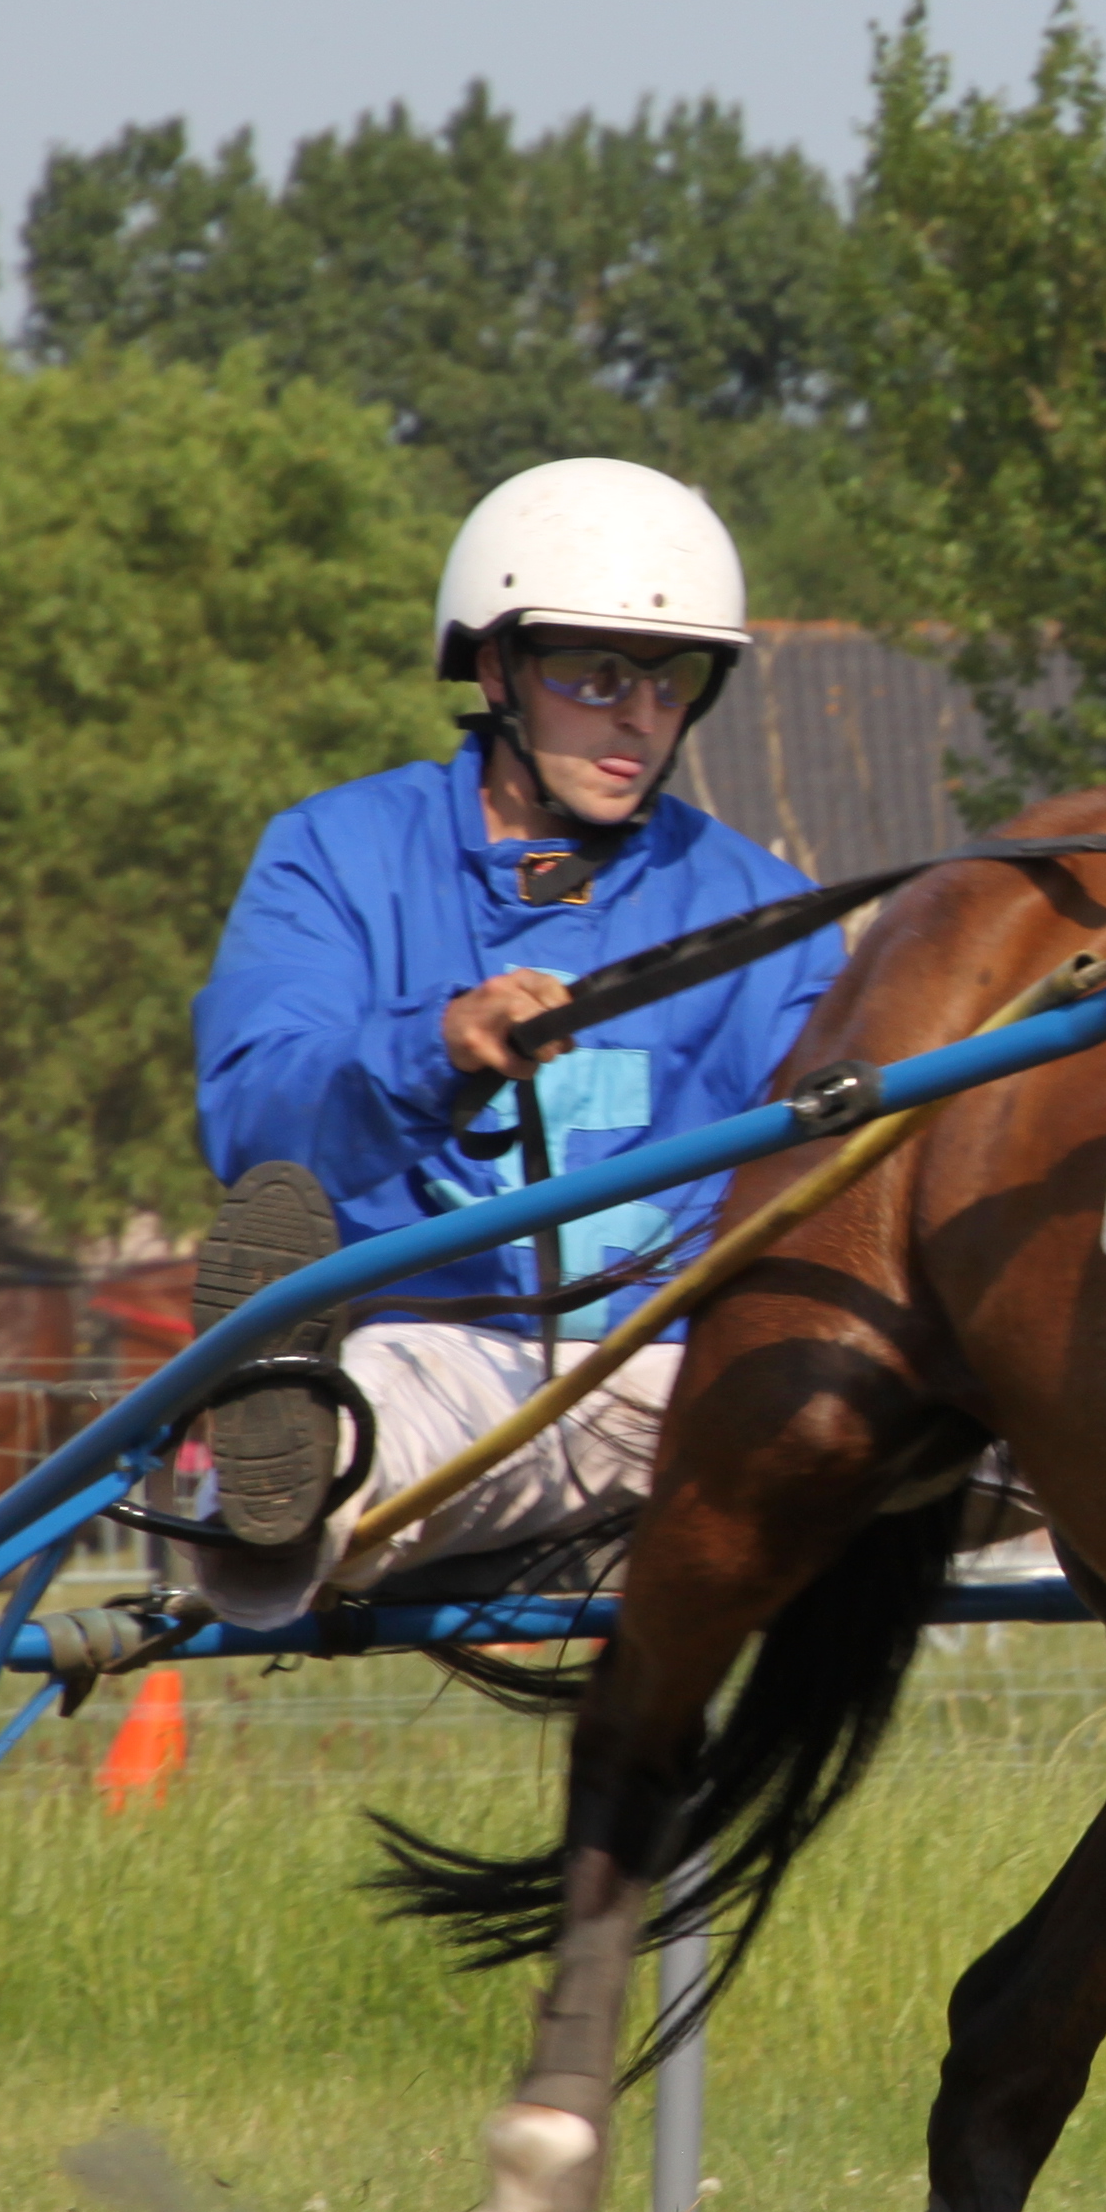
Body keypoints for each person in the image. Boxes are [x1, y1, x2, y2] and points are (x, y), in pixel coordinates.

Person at [189, 459, 845, 1621]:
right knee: (347, 1447)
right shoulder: (337, 853)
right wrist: (438, 1043)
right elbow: (254, 1118)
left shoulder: (773, 913)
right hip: (446, 1354)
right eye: (597, 673)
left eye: (675, 677)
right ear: (496, 668)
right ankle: (268, 1496)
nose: (640, 715)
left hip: (692, 1376)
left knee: (1000, 1414)